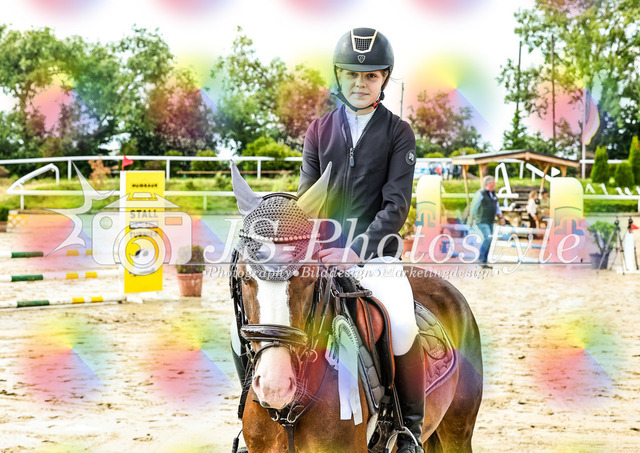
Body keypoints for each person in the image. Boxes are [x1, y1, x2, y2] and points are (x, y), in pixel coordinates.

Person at [298, 27, 424, 453]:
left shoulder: (398, 132)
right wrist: (314, 247)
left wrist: (355, 250)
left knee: (401, 324)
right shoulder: (318, 131)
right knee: (265, 320)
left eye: (370, 75)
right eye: (351, 74)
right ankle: (256, 419)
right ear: (338, 75)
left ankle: (409, 430)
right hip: (323, 254)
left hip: (376, 257)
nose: (360, 83)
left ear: (384, 78)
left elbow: (396, 206)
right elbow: (306, 200)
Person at [468, 175, 505, 268]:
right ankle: (480, 258)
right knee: (488, 238)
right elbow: (474, 206)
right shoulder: (480, 194)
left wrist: (501, 218)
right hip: (481, 220)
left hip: (490, 221)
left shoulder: (493, 195)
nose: (495, 184)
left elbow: (497, 208)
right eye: (493, 182)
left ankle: (484, 261)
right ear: (489, 183)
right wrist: (471, 218)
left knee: (490, 239)